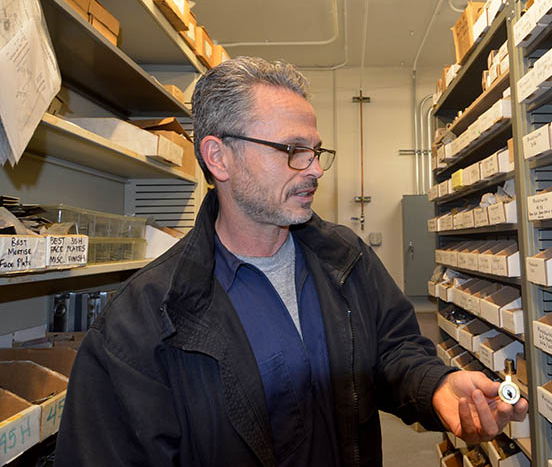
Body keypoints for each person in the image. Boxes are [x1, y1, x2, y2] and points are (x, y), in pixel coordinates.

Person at [55, 57, 528, 466]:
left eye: (317, 151)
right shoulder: (139, 324)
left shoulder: (346, 258)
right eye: (292, 151)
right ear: (218, 158)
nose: (316, 168)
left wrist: (437, 386)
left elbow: (391, 349)